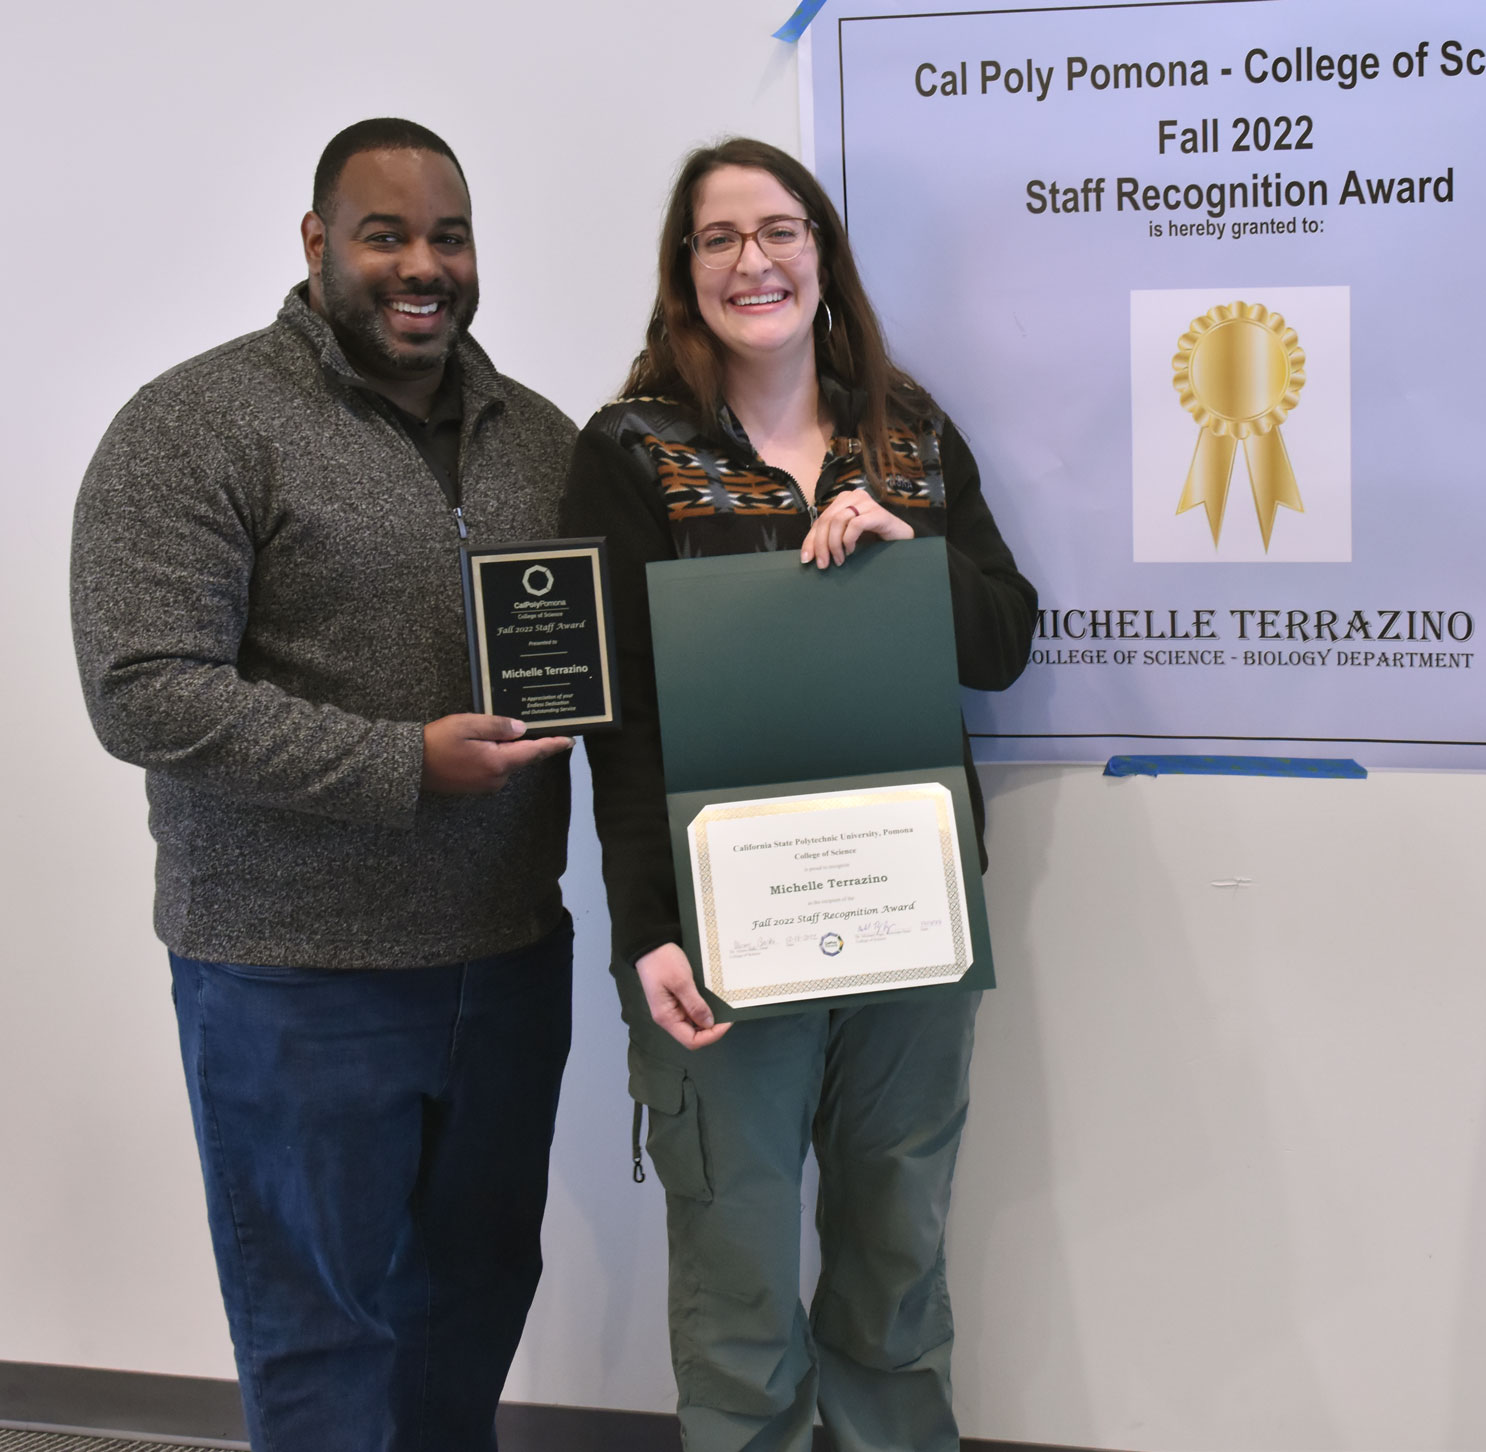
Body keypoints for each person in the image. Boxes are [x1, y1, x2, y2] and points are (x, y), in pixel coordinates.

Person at [70, 118, 578, 1451]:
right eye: (386, 233)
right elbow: (143, 688)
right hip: (292, 981)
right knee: (321, 1342)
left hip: (509, 966)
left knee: (473, 1306)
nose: (424, 265)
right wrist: (397, 764)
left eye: (449, 236)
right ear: (316, 245)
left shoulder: (544, 438)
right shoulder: (197, 424)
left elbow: (617, 666)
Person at [560, 136, 1036, 1451]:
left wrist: (909, 554)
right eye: (717, 239)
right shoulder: (630, 453)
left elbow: (1003, 640)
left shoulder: (911, 434)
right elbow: (622, 717)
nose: (751, 260)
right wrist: (647, 926)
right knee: (740, 1276)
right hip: (719, 931)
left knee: (896, 1259)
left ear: (824, 258)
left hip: (913, 917)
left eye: (779, 231)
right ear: (683, 274)